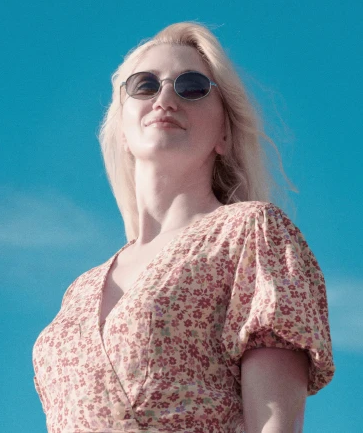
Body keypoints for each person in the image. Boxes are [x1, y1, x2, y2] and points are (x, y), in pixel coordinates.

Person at [32, 22, 335, 433]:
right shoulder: (78, 291)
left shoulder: (250, 234)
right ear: (122, 126)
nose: (166, 98)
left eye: (192, 86)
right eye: (144, 85)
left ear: (224, 134)